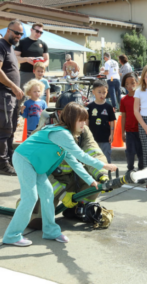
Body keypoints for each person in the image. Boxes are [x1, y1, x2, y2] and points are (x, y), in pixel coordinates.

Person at [2, 102, 118, 247]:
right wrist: (105, 166)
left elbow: (74, 162)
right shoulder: (62, 134)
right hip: (24, 160)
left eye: (85, 120)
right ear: (71, 119)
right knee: (30, 198)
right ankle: (12, 235)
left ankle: (50, 231)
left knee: (48, 193)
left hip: (35, 164)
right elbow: (81, 156)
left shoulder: (65, 134)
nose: (84, 124)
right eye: (80, 120)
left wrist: (90, 180)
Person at [17, 96, 110, 229]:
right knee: (36, 223)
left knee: (95, 182)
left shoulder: (82, 130)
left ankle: (77, 209)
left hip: (72, 179)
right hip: (49, 180)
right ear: (61, 113)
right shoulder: (47, 131)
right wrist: (62, 194)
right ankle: (26, 208)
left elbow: (93, 152)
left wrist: (102, 175)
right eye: (78, 117)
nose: (82, 122)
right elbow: (37, 170)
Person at [0, 20, 24, 176]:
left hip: (11, 95)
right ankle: (2, 164)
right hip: (2, 93)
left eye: (21, 34)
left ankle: (9, 161)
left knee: (10, 129)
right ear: (8, 31)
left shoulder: (10, 48)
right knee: (4, 129)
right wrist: (14, 87)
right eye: (16, 33)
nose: (18, 36)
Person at [87, 80, 116, 163]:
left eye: (104, 92)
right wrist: (86, 134)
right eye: (99, 92)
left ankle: (106, 174)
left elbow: (112, 121)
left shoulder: (108, 107)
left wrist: (112, 134)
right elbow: (87, 121)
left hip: (105, 138)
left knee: (105, 157)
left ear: (107, 92)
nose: (102, 95)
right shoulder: (90, 107)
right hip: (92, 138)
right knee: (93, 156)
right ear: (93, 92)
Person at [120, 72, 144, 175]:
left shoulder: (142, 97)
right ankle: (130, 169)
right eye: (127, 84)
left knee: (141, 152)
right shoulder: (124, 100)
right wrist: (122, 132)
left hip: (142, 130)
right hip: (129, 131)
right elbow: (123, 117)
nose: (130, 86)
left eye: (132, 83)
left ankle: (142, 170)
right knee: (130, 152)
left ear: (137, 82)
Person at [15, 22, 49, 89]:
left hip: (38, 75)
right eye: (37, 31)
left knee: (38, 96)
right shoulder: (22, 42)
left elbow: (47, 59)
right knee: (22, 96)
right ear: (31, 30)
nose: (39, 34)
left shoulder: (43, 44)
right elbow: (15, 58)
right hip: (25, 73)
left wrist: (41, 66)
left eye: (41, 32)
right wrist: (26, 59)